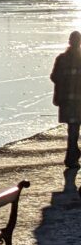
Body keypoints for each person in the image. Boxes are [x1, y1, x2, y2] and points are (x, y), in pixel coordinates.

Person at [51, 31, 81, 168]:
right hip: (77, 102)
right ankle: (72, 156)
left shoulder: (61, 59)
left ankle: (72, 157)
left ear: (69, 42)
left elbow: (54, 77)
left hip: (67, 102)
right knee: (73, 131)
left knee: (72, 130)